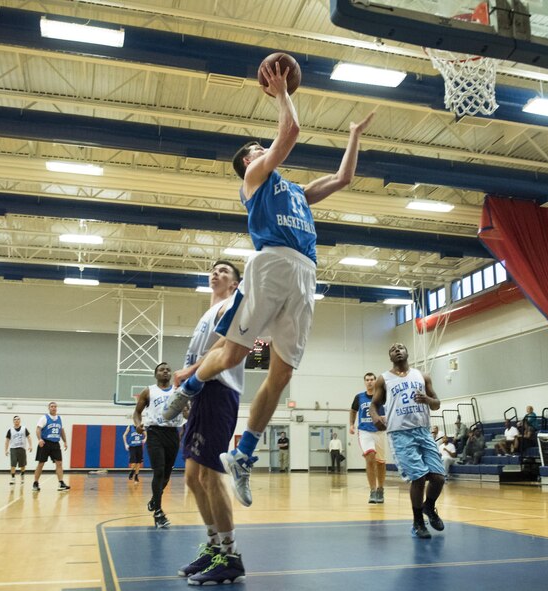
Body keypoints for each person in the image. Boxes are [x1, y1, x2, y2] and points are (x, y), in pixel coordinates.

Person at [162, 60, 375, 508]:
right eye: (258, 148)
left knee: (280, 376)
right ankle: (184, 393)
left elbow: (343, 178)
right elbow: (291, 130)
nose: (264, 149)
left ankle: (244, 453)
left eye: (264, 146)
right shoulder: (255, 179)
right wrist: (280, 91)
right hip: (272, 262)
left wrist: (353, 135)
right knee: (234, 352)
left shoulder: (294, 190)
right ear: (247, 164)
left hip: (306, 273)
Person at [174, 260, 246, 585]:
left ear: (235, 283)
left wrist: (192, 372)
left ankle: (231, 556)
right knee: (192, 477)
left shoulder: (234, 304)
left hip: (219, 389)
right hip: (201, 392)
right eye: (214, 270)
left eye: (224, 272)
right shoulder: (208, 311)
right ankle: (214, 546)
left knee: (211, 474)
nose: (216, 273)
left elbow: (224, 347)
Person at [370, 342, 445, 540]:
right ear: (390, 356)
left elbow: (437, 404)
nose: (397, 349)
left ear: (407, 353)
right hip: (400, 433)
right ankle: (417, 522)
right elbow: (374, 405)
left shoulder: (423, 376)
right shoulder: (384, 379)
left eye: (400, 347)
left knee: (438, 477)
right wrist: (376, 418)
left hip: (423, 431)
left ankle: (429, 507)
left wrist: (428, 400)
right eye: (392, 348)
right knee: (419, 478)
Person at [133, 362, 185, 529]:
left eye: (168, 369)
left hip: (172, 433)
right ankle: (158, 513)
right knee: (159, 470)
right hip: (155, 432)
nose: (165, 371)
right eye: (161, 369)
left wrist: (191, 416)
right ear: (156, 374)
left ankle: (155, 500)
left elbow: (187, 412)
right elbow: (137, 413)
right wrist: (137, 425)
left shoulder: (179, 391)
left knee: (167, 475)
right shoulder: (148, 391)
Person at [349, 372, 388, 503]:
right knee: (370, 456)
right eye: (367, 380)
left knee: (381, 462)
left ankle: (380, 489)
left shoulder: (383, 396)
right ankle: (372, 490)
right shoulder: (359, 397)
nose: (370, 382)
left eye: (372, 379)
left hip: (380, 432)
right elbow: (353, 411)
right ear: (364, 382)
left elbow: (390, 409)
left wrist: (386, 418)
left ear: (376, 381)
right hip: (364, 431)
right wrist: (351, 425)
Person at [33, 402, 70, 492]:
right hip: (45, 443)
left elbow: (61, 431)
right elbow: (38, 429)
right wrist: (39, 439)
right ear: (49, 408)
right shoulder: (44, 418)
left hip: (55, 444)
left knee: (59, 463)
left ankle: (61, 483)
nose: (53, 408)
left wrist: (65, 441)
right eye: (52, 407)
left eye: (55, 406)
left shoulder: (59, 419)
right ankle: (35, 483)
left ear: (56, 408)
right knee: (41, 464)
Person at [5, 415, 32, 485]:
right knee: (13, 464)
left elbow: (29, 437)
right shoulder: (10, 430)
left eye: (18, 419)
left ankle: (22, 476)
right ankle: (13, 479)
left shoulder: (24, 428)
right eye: (15, 419)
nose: (16, 420)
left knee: (22, 465)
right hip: (13, 448)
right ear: (13, 421)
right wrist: (6, 450)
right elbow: (7, 440)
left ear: (20, 420)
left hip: (22, 448)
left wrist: (30, 445)